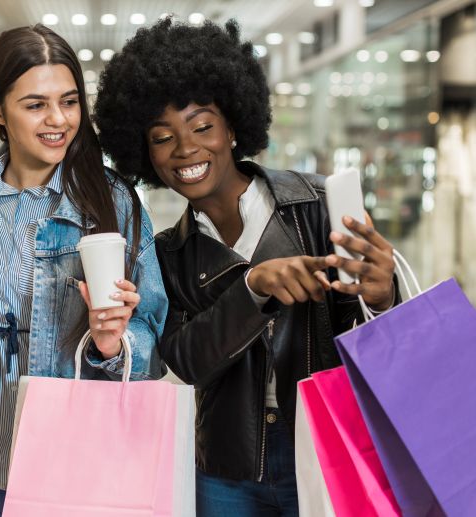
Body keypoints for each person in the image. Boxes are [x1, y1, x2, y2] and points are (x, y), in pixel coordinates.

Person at [94, 18, 397, 516]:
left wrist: (383, 297)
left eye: (202, 126)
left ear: (233, 126)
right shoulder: (168, 253)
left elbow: (365, 332)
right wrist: (253, 288)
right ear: (145, 153)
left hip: (327, 449)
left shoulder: (316, 205)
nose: (186, 148)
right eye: (162, 137)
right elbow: (186, 360)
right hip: (228, 467)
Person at [0, 24, 168, 517]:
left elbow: (153, 333)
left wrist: (113, 342)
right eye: (35, 105)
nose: (58, 120)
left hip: (71, 465)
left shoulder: (112, 204)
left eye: (69, 102)